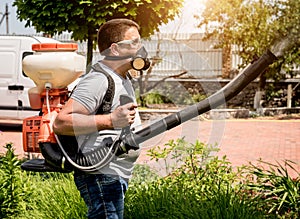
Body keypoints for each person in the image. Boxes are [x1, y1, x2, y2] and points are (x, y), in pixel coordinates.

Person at [53, 18, 148, 219]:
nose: (140, 48)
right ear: (114, 49)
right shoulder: (98, 80)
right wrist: (111, 120)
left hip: (112, 174)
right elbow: (62, 122)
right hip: (100, 174)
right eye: (134, 43)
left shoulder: (121, 77)